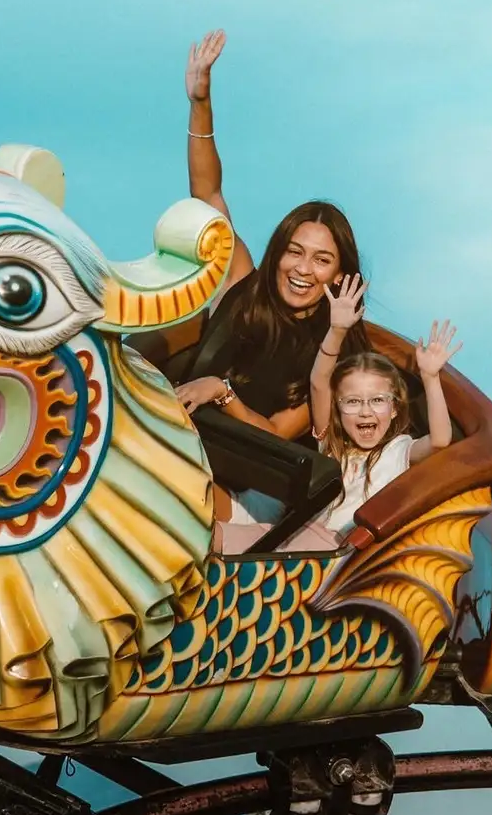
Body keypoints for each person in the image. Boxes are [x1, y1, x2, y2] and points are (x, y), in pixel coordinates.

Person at [169, 29, 364, 441]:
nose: (303, 269)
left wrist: (222, 395)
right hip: (176, 444)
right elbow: (207, 194)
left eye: (322, 259)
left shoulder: (333, 352)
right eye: (295, 251)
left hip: (245, 483)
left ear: (340, 275)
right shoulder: (243, 283)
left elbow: (277, 434)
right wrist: (199, 102)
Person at [310, 274, 461, 537]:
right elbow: (319, 382)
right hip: (311, 545)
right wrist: (337, 332)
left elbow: (439, 441)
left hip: (354, 557)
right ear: (338, 409)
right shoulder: (331, 447)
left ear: (393, 409)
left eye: (377, 400)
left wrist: (431, 377)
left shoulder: (398, 450)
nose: (365, 411)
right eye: (353, 401)